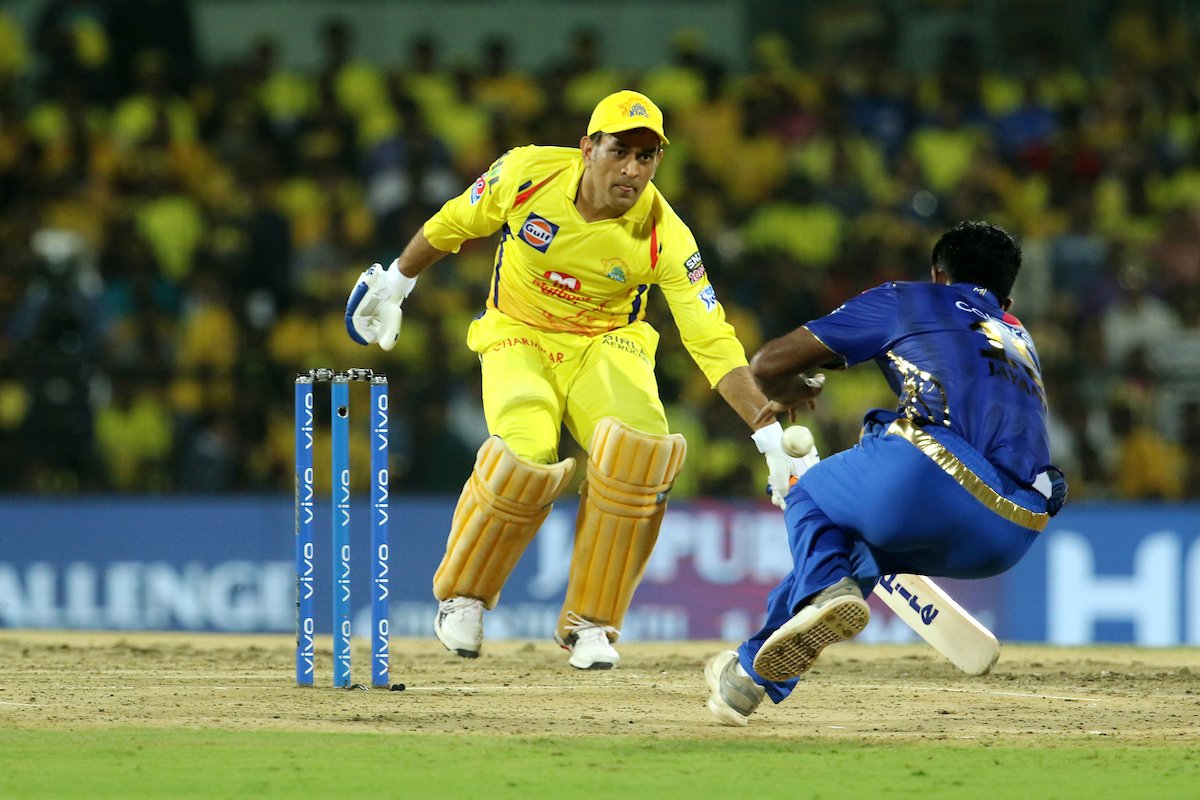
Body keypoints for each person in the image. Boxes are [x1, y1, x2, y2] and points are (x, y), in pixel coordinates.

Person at [344, 90, 815, 669]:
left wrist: (768, 436)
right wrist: (396, 281)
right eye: (620, 152)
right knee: (525, 453)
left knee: (642, 457)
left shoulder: (667, 234)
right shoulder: (527, 174)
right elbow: (455, 222)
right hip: (519, 332)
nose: (632, 170)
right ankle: (463, 598)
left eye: (646, 157)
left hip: (606, 342)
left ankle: (590, 623)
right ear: (588, 149)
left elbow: (711, 338)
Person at [704, 220, 1068, 726]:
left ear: (938, 275)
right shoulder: (1019, 336)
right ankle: (748, 677)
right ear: (1005, 297)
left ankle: (829, 586)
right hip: (1016, 529)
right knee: (853, 551)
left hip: (931, 478)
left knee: (808, 496)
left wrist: (797, 386)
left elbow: (767, 365)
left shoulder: (907, 299)